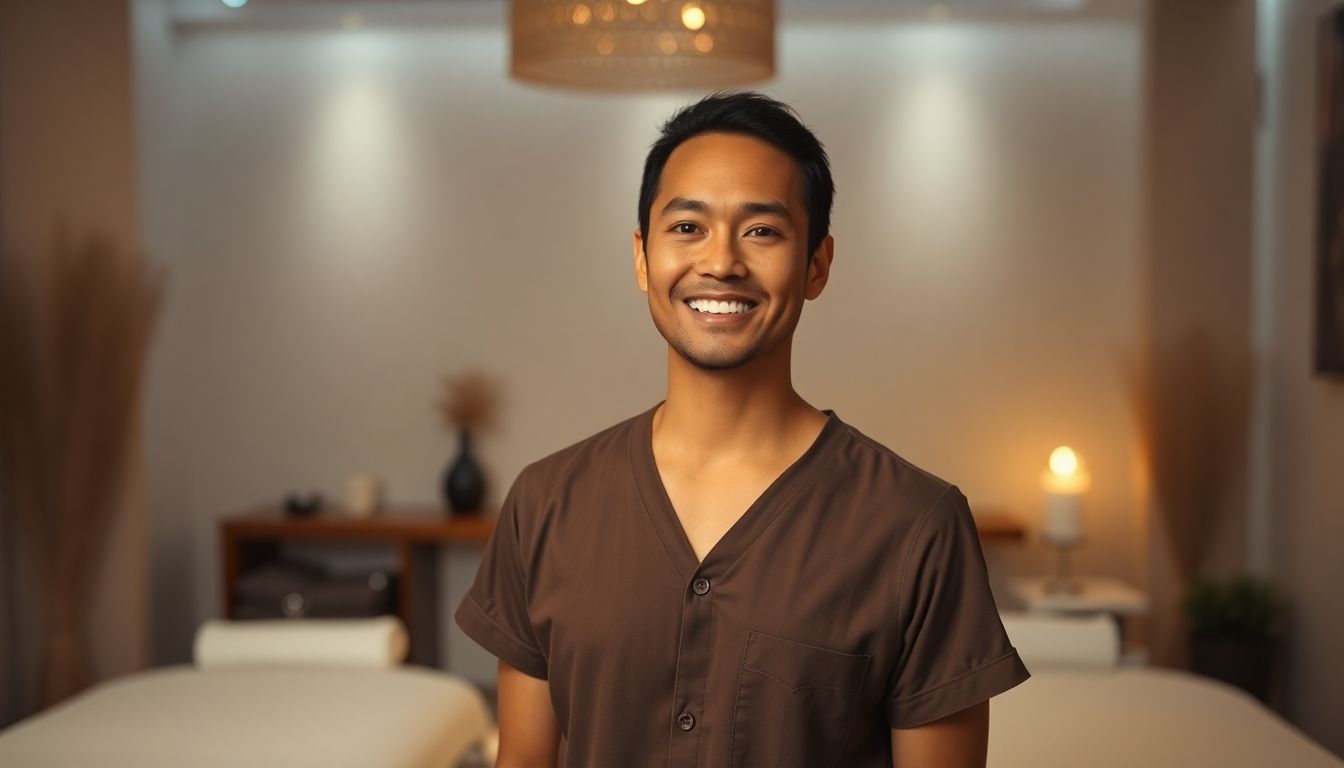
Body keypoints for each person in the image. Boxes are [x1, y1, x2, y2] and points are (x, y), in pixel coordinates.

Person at [455, 91, 1030, 768]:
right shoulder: (545, 503)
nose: (722, 262)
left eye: (762, 231)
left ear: (817, 264)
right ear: (643, 258)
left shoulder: (917, 526)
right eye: (687, 228)